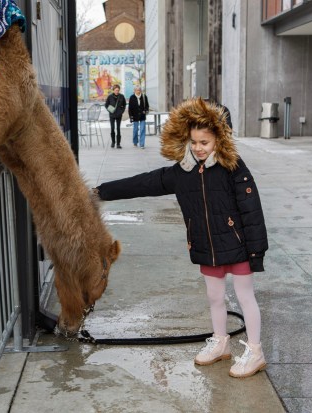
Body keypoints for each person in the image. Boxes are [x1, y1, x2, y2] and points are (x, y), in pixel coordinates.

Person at [93, 97, 268, 378]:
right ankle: (221, 342)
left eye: (205, 142)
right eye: (194, 142)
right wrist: (101, 191)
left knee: (245, 296)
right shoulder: (182, 172)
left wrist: (256, 251)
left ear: (220, 140)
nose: (199, 148)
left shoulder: (233, 169)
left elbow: (252, 210)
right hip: (207, 247)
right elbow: (143, 183)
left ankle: (255, 351)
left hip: (239, 246)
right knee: (214, 297)